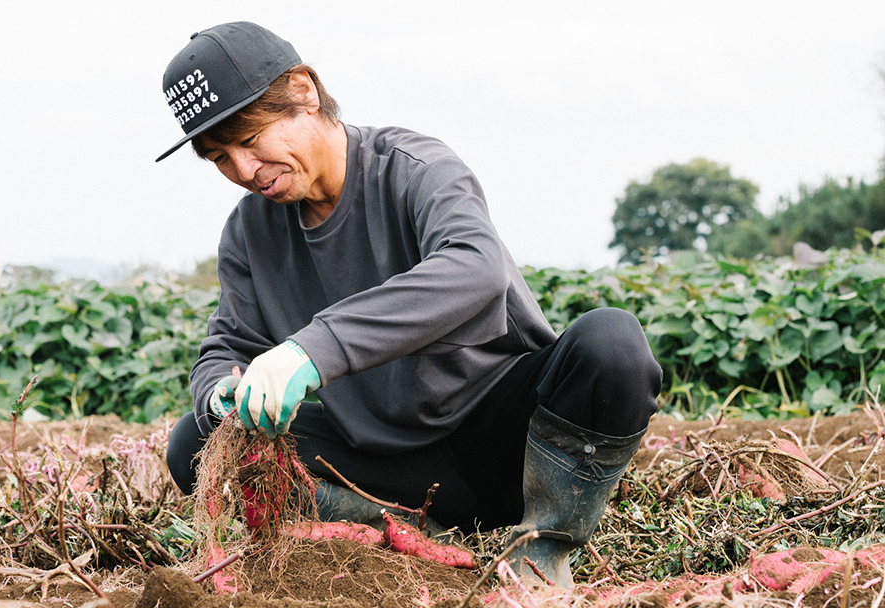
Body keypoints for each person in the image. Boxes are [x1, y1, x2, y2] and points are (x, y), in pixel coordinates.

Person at [158, 21, 662, 587]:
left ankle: (542, 546)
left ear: (303, 90)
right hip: (383, 467)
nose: (243, 172)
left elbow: (475, 266)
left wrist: (311, 350)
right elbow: (228, 344)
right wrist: (222, 393)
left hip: (505, 447)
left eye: (250, 140)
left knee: (612, 344)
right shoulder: (250, 230)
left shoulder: (414, 168)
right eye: (219, 157)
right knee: (195, 441)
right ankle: (404, 530)